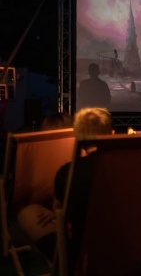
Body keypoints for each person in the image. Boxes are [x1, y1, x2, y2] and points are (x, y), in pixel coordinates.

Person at [17, 107, 114, 263]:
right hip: (126, 247)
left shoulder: (68, 172)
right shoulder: (127, 167)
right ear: (113, 133)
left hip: (82, 256)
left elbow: (59, 211)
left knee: (26, 213)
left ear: (77, 139)